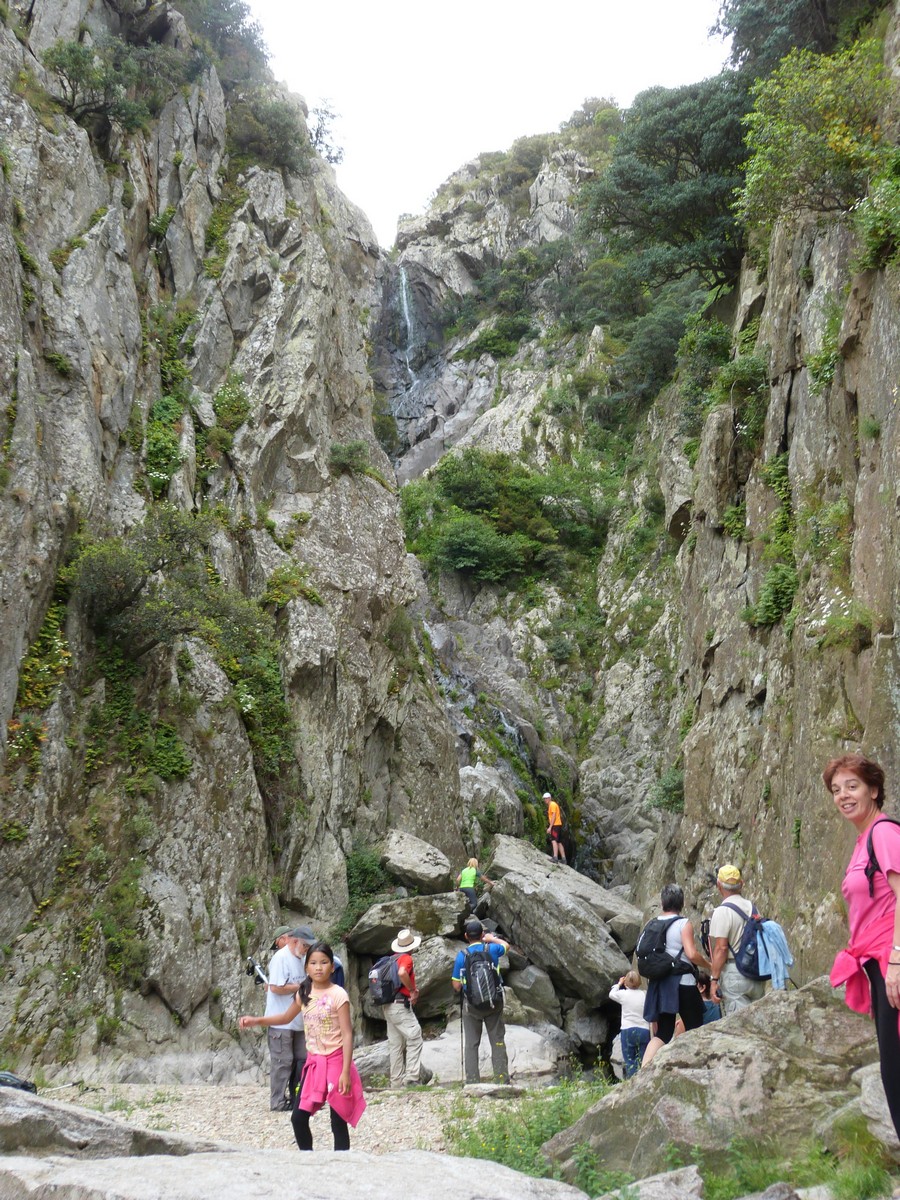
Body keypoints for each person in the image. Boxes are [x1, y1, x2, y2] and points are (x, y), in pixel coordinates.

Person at [827, 754, 900, 1142]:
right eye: (836, 789)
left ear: (873, 790)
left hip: (892, 962)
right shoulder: (864, 840)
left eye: (852, 786)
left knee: (897, 1071)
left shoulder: (883, 833)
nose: (843, 795)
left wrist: (897, 961)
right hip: (878, 965)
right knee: (893, 1071)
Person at [240, 942, 366, 1150]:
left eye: (324, 962)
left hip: (336, 1061)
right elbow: (285, 1018)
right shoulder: (304, 992)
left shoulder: (338, 994)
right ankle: (308, 1158)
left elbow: (347, 1034)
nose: (319, 967)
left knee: (338, 1120)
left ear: (332, 967)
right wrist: (256, 1020)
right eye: (313, 963)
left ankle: (341, 1162)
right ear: (306, 968)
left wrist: (345, 1072)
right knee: (298, 1118)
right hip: (314, 1062)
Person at [642, 884, 711, 1066]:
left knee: (663, 1033)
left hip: (660, 984)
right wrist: (708, 965)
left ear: (662, 902)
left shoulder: (653, 923)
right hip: (683, 983)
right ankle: (697, 1066)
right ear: (681, 903)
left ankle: (643, 1070)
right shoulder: (683, 924)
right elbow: (691, 954)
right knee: (696, 1027)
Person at [451, 918, 510, 1084]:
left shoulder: (462, 956)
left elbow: (456, 985)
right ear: (482, 934)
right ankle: (502, 1080)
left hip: (472, 1005)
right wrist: (492, 939)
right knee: (497, 1040)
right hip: (494, 1002)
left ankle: (472, 1082)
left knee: (471, 1043)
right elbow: (506, 946)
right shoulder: (492, 949)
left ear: (466, 936)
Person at [263, 925, 313, 1110]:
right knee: (282, 1062)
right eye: (305, 945)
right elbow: (275, 987)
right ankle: (277, 1101)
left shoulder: (303, 958)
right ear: (294, 941)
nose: (306, 949)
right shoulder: (280, 958)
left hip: (299, 1020)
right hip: (280, 1021)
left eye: (308, 946)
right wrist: (300, 987)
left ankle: (298, 1097)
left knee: (302, 1060)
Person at [708, 866, 767, 1015]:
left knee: (741, 1024)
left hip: (734, 974)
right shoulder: (753, 908)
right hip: (756, 972)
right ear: (741, 884)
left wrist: (714, 980)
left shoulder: (722, 911)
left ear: (719, 885)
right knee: (758, 1021)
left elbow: (721, 948)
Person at [383, 928, 429, 1088]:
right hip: (400, 1005)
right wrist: (412, 990)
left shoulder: (390, 960)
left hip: (387, 1006)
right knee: (415, 1036)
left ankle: (396, 1082)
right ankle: (411, 1078)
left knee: (395, 1044)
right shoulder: (406, 958)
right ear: (411, 946)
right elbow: (402, 973)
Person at [608, 971, 651, 1077]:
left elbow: (611, 994)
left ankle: (632, 1080)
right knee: (644, 1059)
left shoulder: (623, 994)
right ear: (640, 983)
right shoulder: (644, 994)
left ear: (625, 983)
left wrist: (619, 984)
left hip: (628, 1030)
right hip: (644, 1030)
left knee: (630, 1060)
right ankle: (644, 1078)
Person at [544, 791, 567, 864]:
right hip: (558, 825)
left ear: (550, 798)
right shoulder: (552, 805)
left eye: (546, 798)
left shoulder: (552, 804)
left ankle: (555, 858)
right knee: (559, 842)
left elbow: (553, 816)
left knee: (554, 841)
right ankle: (564, 859)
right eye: (544, 798)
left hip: (555, 825)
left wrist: (550, 827)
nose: (545, 800)